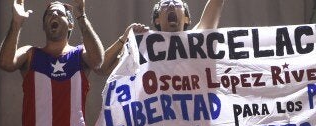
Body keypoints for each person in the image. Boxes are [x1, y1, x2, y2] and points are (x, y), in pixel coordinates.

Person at [96, 0, 225, 76]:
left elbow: (216, 3)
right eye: (165, 4)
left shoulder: (197, 40)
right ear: (157, 20)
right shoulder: (143, 48)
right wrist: (124, 38)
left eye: (177, 3)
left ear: (187, 19)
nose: (171, 5)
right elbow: (101, 68)